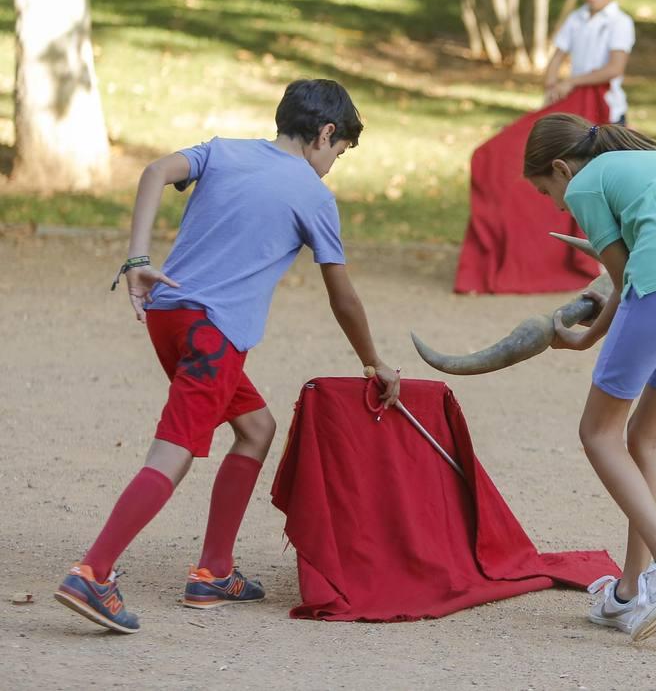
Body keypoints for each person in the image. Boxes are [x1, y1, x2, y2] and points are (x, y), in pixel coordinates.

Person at [54, 79, 401, 634]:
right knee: (173, 452)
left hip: (169, 316)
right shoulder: (314, 195)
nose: (334, 164)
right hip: (213, 337)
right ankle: (93, 573)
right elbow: (343, 297)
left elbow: (153, 172)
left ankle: (214, 570)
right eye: (339, 152)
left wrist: (137, 258)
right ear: (326, 133)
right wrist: (373, 360)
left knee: (256, 427)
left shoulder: (223, 150)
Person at [522, 114, 656, 641]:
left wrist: (585, 336)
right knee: (647, 437)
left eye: (546, 190)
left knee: (598, 433)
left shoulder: (589, 182)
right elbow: (631, 278)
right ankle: (628, 591)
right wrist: (603, 319)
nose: (555, 203)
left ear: (559, 167)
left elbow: (624, 282)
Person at [544, 0, 636, 125]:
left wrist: (572, 81)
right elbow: (557, 57)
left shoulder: (620, 22)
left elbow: (615, 68)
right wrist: (551, 86)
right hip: (577, 106)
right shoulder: (576, 18)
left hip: (608, 110)